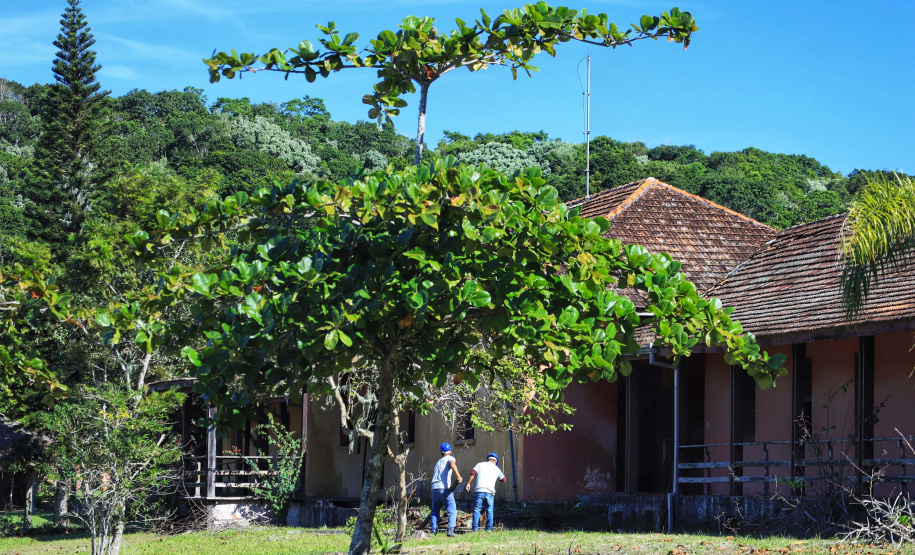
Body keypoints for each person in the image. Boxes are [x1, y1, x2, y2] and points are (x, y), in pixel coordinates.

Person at [464, 452, 506, 532]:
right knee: (489, 511)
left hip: (479, 490)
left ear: (488, 459)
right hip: (489, 492)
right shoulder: (497, 469)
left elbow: (473, 472)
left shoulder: (480, 464)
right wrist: (502, 475)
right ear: (496, 461)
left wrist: (468, 483)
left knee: (477, 510)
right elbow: (503, 480)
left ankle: (475, 529)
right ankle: (489, 529)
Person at [430, 442, 463, 537]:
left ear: (441, 453)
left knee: (435, 511)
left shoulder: (437, 463)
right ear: (450, 452)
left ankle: (433, 531)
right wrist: (458, 476)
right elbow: (452, 464)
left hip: (435, 488)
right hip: (444, 488)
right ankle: (450, 530)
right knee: (452, 509)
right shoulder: (450, 458)